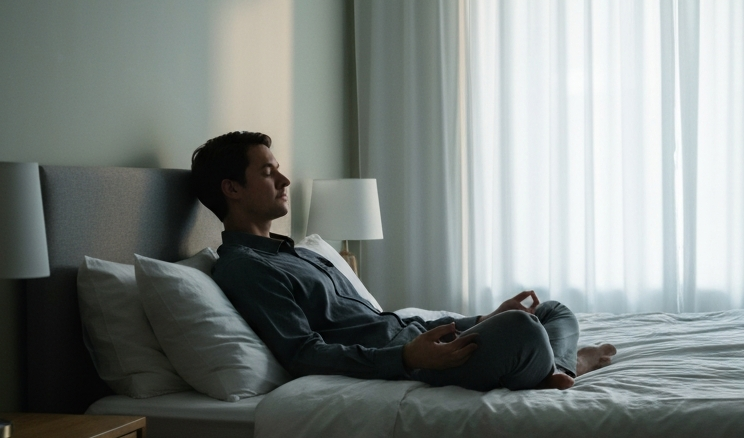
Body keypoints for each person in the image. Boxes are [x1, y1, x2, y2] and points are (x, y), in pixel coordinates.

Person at [191, 131, 615, 392]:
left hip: (418, 336)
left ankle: (559, 370)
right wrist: (409, 359)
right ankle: (562, 365)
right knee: (522, 328)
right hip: (410, 359)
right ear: (232, 188)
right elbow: (302, 353)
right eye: (268, 172)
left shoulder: (298, 253)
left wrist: (482, 318)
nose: (285, 180)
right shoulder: (245, 267)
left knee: (551, 311)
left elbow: (378, 319)